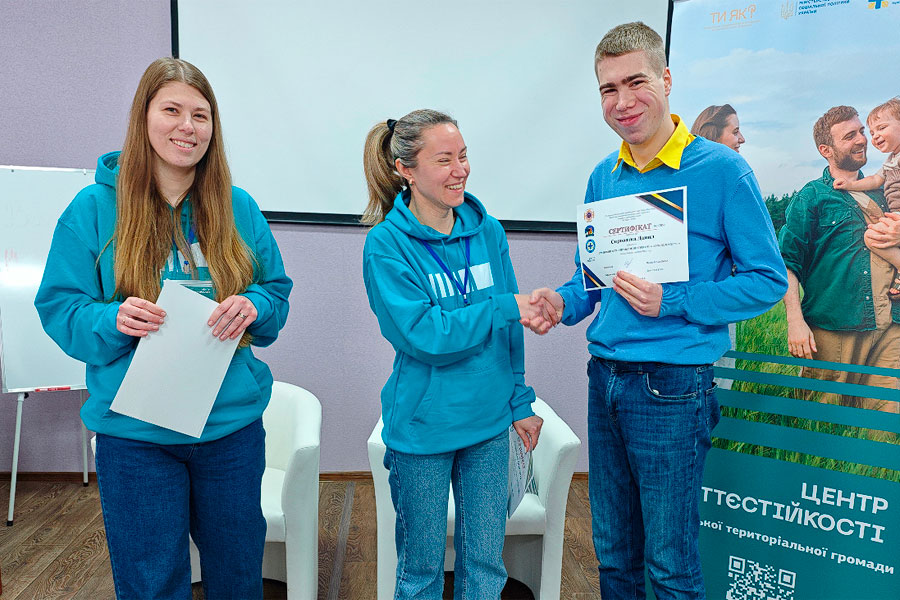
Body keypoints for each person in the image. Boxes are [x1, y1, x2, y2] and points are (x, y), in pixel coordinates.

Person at [522, 22, 788, 599]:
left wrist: (675, 300)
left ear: (666, 79)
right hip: (605, 378)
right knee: (614, 554)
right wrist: (561, 301)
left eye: (636, 82)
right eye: (608, 89)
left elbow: (767, 281)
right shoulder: (604, 175)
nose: (622, 101)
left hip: (673, 387)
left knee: (669, 563)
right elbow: (592, 280)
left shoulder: (722, 170)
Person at [35, 58, 292, 599]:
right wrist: (112, 318)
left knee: (238, 581)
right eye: (171, 110)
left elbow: (276, 291)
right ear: (143, 117)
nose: (187, 127)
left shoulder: (238, 207)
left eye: (201, 115)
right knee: (152, 586)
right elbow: (60, 308)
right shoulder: (93, 208)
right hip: (136, 438)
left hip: (230, 432)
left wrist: (254, 306)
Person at [361, 109, 545, 599]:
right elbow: (427, 336)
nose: (460, 170)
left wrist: (520, 402)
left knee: (485, 566)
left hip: (489, 425)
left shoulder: (488, 232)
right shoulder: (386, 245)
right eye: (444, 160)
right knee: (421, 571)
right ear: (405, 169)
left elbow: (511, 329)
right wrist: (503, 307)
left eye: (463, 156)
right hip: (425, 429)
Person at [780, 105, 900, 412]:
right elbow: (787, 262)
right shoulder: (812, 196)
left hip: (890, 327)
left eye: (862, 131)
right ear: (826, 150)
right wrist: (795, 321)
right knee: (823, 418)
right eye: (850, 136)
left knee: (885, 426)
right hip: (834, 328)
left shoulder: (887, 191)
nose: (862, 140)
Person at [833, 98, 900, 300]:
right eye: (872, 132)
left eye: (882, 128)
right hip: (894, 217)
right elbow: (874, 180)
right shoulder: (890, 162)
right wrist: (850, 185)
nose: (875, 136)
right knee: (871, 236)